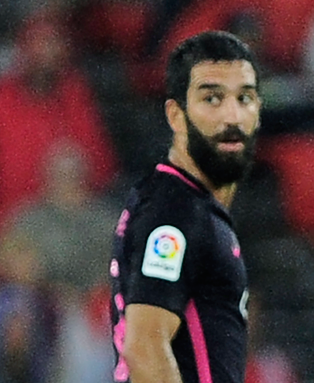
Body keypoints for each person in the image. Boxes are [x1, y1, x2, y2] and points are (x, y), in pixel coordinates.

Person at [110, 30, 260, 383]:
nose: (233, 117)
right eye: (212, 99)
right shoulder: (174, 211)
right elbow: (145, 346)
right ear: (176, 116)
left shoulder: (190, 207)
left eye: (245, 98)